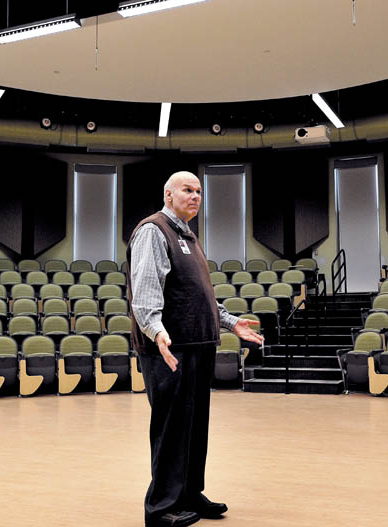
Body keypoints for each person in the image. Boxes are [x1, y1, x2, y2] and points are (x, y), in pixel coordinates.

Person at [126, 171, 264, 527]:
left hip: (196, 346)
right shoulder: (154, 231)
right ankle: (161, 507)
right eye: (188, 190)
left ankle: (188, 494)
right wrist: (156, 331)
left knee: (193, 426)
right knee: (171, 428)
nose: (195, 196)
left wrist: (231, 322)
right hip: (169, 349)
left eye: (199, 191)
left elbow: (198, 296)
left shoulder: (187, 235)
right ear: (168, 194)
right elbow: (144, 293)